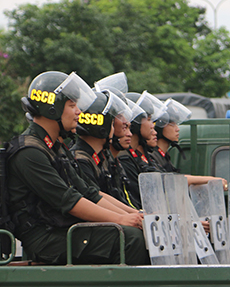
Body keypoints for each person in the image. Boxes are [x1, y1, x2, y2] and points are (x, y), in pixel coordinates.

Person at [6, 71, 148, 265]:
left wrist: (132, 215)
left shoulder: (55, 148)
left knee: (138, 231)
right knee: (131, 238)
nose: (79, 112)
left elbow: (88, 192)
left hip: (61, 229)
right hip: (46, 239)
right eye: (72, 105)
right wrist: (120, 220)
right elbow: (69, 201)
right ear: (52, 108)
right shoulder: (29, 152)